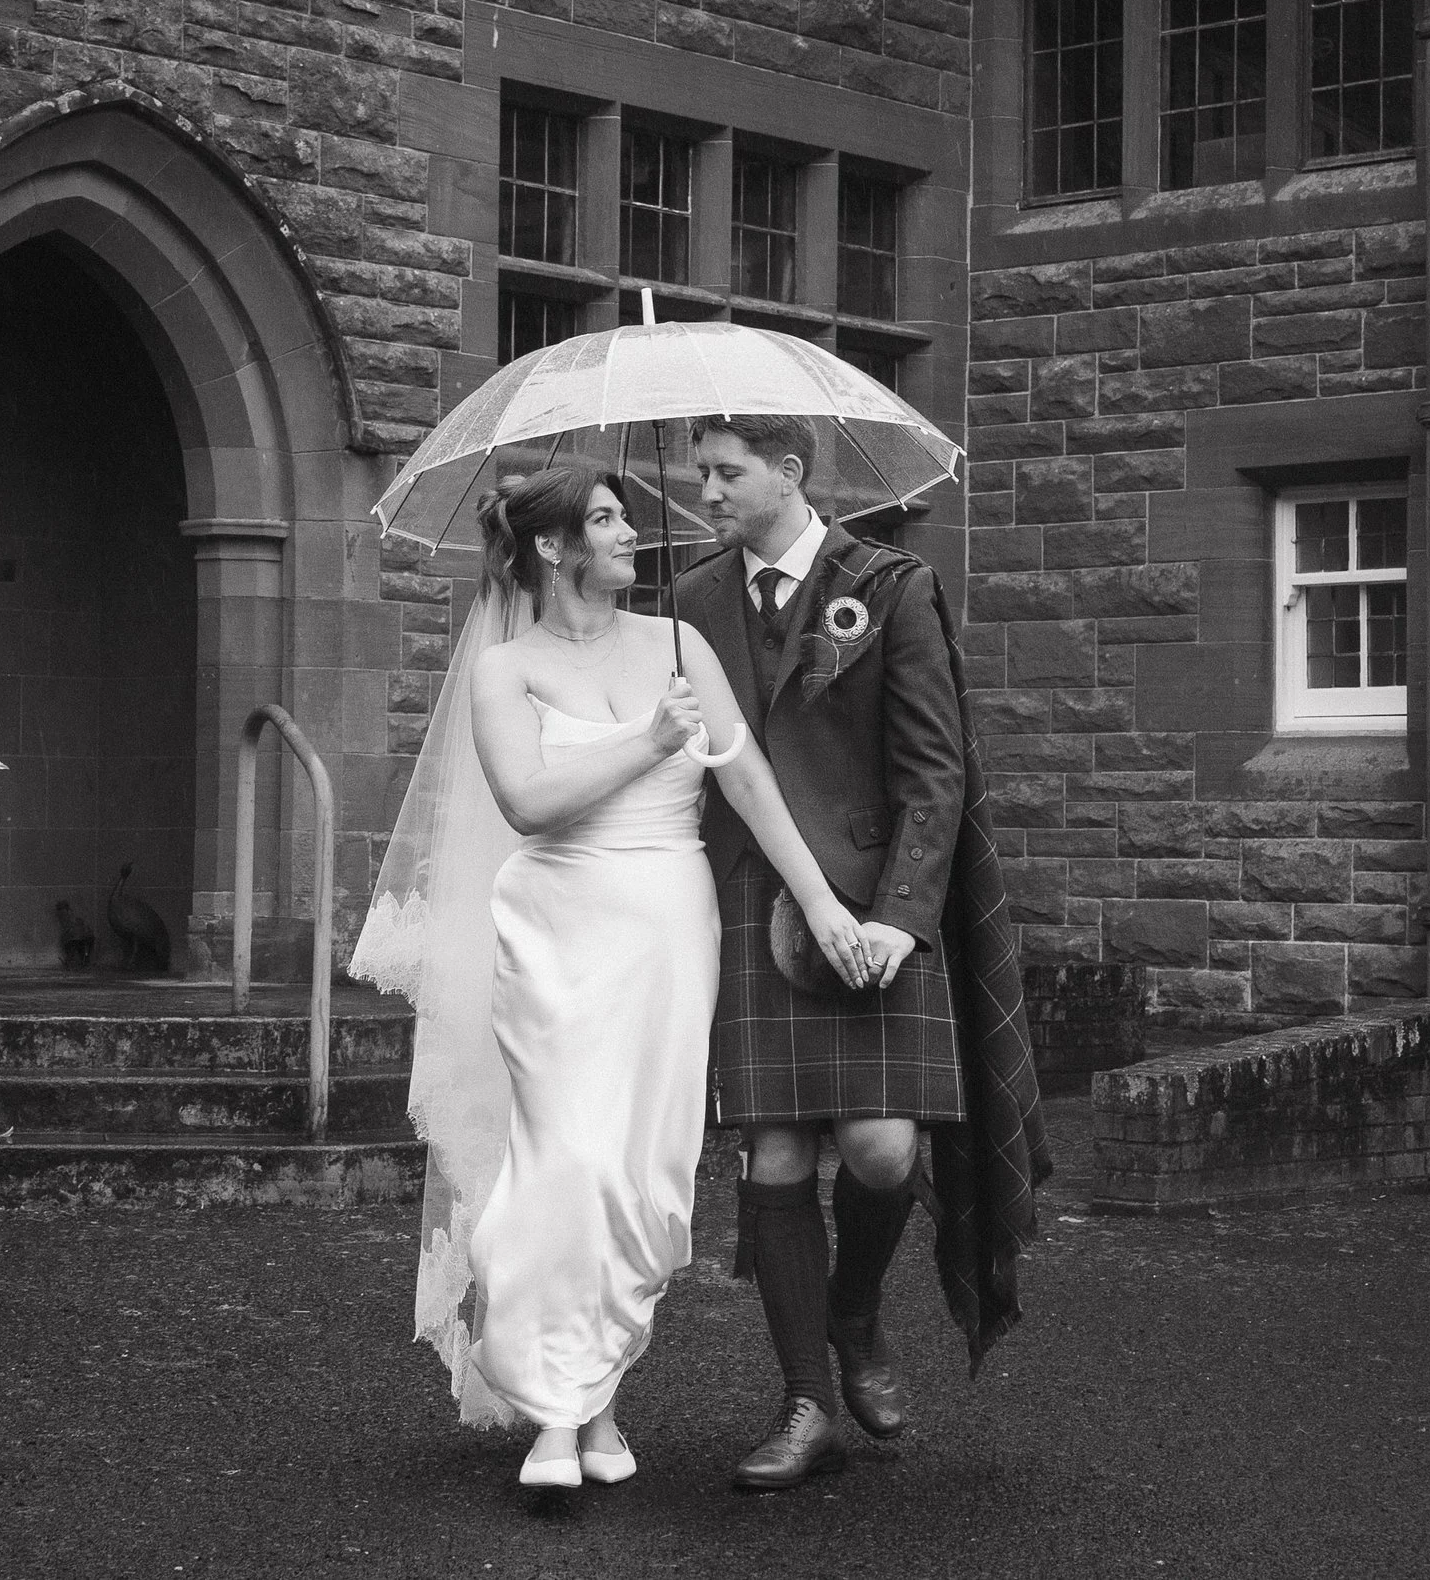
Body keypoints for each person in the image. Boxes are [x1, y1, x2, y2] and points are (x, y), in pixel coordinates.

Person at [351, 459, 870, 1490]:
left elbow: (751, 779)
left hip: (669, 928)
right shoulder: (509, 667)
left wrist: (819, 898)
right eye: (605, 519)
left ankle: (596, 1405)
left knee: (642, 1174)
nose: (632, 532)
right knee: (566, 1160)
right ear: (551, 547)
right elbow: (531, 802)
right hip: (557, 924)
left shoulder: (680, 643)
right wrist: (646, 738)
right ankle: (553, 1416)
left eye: (626, 517)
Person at [676, 412, 1046, 1492]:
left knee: (883, 1152)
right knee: (775, 1156)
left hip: (875, 900)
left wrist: (899, 913)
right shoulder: (690, 599)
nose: (706, 490)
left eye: (726, 471)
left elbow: (936, 769)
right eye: (697, 471)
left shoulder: (889, 585)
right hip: (751, 900)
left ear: (788, 472)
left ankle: (854, 1305)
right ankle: (805, 1403)